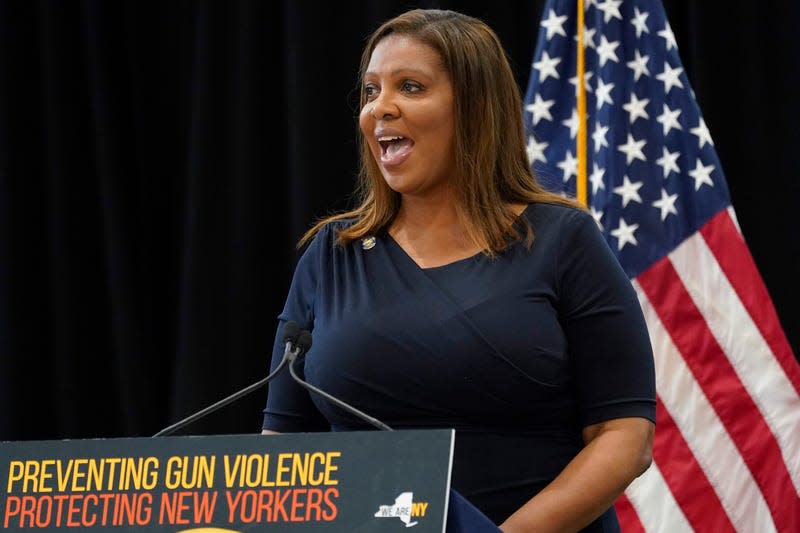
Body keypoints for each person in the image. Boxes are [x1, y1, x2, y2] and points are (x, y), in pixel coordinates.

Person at [261, 8, 656, 533]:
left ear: (475, 108)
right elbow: (282, 452)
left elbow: (623, 435)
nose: (382, 107)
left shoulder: (564, 240)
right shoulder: (332, 254)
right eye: (371, 90)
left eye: (410, 87)